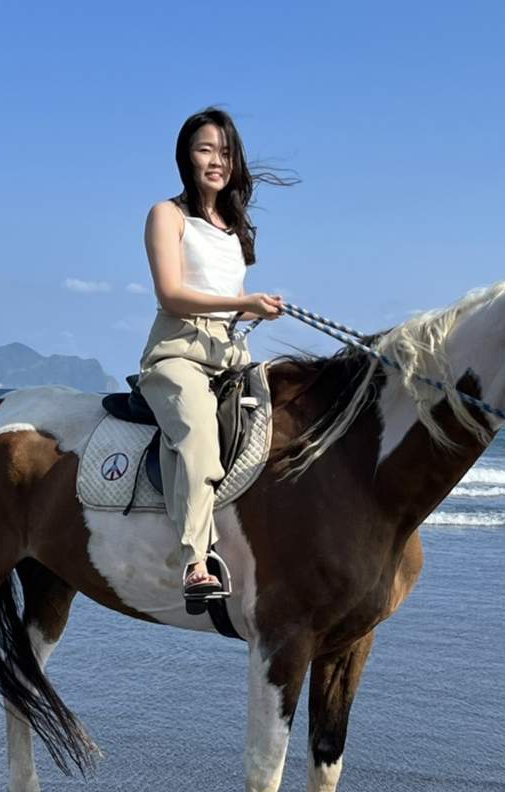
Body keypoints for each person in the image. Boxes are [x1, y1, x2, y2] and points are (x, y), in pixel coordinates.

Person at [138, 107, 286, 602]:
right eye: (205, 149)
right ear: (186, 156)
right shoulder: (168, 214)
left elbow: (226, 305)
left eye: (224, 152)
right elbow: (172, 295)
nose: (216, 161)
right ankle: (195, 560)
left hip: (230, 353)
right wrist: (241, 301)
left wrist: (251, 314)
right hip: (177, 353)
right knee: (199, 433)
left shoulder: (234, 230)